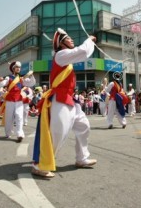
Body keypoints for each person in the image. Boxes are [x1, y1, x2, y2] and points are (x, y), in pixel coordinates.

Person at [32, 28, 97, 178]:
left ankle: (82, 158)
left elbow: (81, 53)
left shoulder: (66, 59)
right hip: (60, 99)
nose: (72, 39)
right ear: (60, 44)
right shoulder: (61, 55)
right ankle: (39, 164)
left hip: (69, 99)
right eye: (68, 38)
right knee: (58, 133)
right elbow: (83, 52)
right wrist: (89, 40)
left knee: (83, 126)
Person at [0, 61, 36, 142]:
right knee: (9, 118)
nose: (18, 69)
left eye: (19, 67)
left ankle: (20, 134)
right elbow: (2, 84)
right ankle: (8, 133)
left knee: (19, 117)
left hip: (19, 100)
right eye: (16, 67)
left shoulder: (21, 78)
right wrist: (1, 81)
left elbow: (31, 83)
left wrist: (31, 75)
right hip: (10, 100)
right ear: (13, 69)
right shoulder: (8, 78)